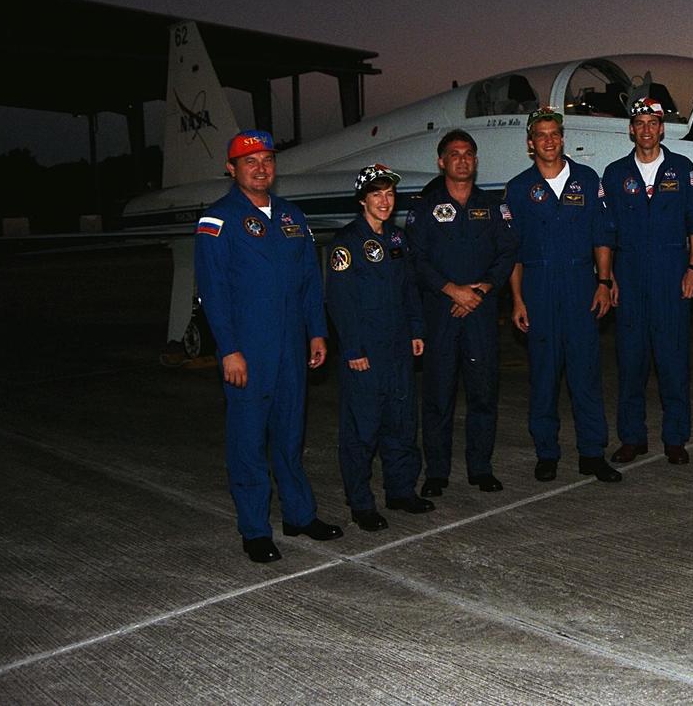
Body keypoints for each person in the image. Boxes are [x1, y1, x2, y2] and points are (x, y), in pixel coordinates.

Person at [194, 129, 342, 564]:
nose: (261, 168)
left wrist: (317, 331)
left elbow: (311, 281)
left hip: (292, 347)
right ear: (232, 168)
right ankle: (256, 529)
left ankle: (299, 515)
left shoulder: (293, 217)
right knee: (248, 440)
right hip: (249, 350)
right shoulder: (217, 219)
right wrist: (229, 350)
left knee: (291, 436)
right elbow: (213, 291)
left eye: (267, 160)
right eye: (250, 161)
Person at [504, 107, 622, 483]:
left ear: (562, 137)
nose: (550, 141)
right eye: (541, 135)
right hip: (538, 288)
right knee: (543, 376)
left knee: (585, 375)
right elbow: (512, 252)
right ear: (530, 143)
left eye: (555, 133)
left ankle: (592, 453)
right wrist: (518, 300)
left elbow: (602, 235)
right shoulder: (519, 188)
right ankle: (547, 453)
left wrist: (603, 282)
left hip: (579, 286)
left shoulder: (587, 180)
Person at [407, 130, 518, 497]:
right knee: (438, 396)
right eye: (454, 154)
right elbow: (417, 258)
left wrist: (481, 289)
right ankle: (436, 472)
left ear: (475, 160)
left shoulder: (492, 205)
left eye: (468, 154)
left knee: (483, 394)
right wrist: (452, 289)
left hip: (481, 313)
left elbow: (507, 253)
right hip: (441, 313)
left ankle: (480, 468)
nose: (462, 159)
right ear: (441, 162)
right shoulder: (424, 206)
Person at [325, 164, 432, 532]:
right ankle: (361, 503)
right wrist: (352, 349)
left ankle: (401, 491)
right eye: (376, 195)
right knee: (361, 432)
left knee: (402, 425)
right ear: (362, 200)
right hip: (365, 354)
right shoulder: (346, 243)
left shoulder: (399, 240)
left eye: (389, 194)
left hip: (399, 350)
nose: (385, 201)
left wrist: (417, 329)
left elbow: (410, 290)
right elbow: (340, 302)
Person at [601, 98, 693, 465]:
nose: (646, 129)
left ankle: (675, 438)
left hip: (671, 277)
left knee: (673, 361)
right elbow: (606, 232)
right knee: (630, 363)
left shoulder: (683, 169)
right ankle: (632, 438)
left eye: (653, 123)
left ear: (662, 129)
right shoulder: (615, 174)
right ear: (631, 129)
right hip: (628, 280)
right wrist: (607, 277)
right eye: (640, 123)